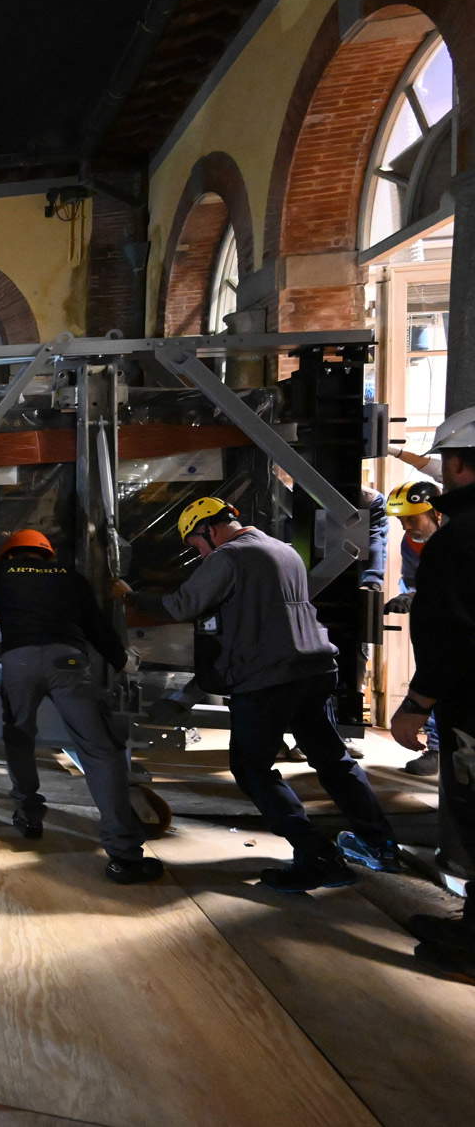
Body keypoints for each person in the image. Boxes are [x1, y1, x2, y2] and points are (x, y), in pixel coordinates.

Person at [113, 496, 398, 891]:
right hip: (314, 670)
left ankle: (316, 856)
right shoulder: (283, 551)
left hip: (268, 679)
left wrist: (130, 595)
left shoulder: (227, 558)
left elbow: (183, 605)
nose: (196, 552)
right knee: (333, 760)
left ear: (208, 530)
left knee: (251, 769)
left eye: (194, 543)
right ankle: (379, 843)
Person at [0, 529, 163, 884]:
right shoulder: (70, 577)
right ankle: (124, 856)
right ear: (47, 556)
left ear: (9, 555)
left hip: (18, 664)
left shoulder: (2, 572)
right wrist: (121, 660)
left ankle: (28, 813)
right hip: (66, 663)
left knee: (19, 737)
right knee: (100, 751)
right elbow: (97, 627)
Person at [389, 408, 475, 978]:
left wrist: (418, 703)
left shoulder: (459, 538)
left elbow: (457, 634)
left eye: (447, 459)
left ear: (461, 463)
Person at [383, 479, 444, 776]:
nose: (406, 526)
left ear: (436, 513)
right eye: (401, 520)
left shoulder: (461, 536)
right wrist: (409, 595)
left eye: (412, 518)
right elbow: (415, 580)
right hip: (438, 622)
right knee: (434, 677)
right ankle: (438, 748)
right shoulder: (411, 543)